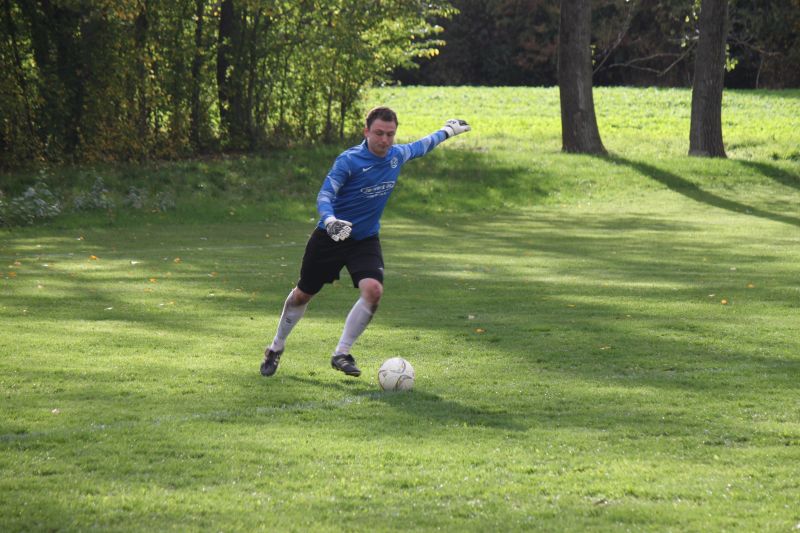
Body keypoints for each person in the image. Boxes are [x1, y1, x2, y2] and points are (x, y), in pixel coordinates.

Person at [260, 106, 471, 378]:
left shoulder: (397, 155)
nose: (385, 140)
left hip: (365, 239)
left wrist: (447, 131)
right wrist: (330, 220)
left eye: (390, 134)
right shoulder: (349, 161)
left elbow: (422, 145)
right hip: (331, 236)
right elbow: (325, 194)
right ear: (366, 132)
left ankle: (341, 353)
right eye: (379, 133)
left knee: (373, 290)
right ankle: (276, 347)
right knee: (303, 294)